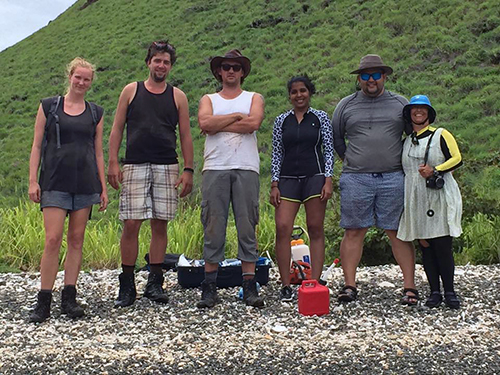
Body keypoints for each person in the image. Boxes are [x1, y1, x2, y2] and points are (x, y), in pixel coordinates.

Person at [108, 40, 194, 307]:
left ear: (170, 66)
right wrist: (112, 161)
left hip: (167, 165)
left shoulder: (178, 96)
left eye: (166, 62)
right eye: (157, 60)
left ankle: (155, 282)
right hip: (134, 163)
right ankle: (127, 284)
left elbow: (186, 134)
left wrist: (188, 169)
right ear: (149, 63)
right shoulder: (130, 91)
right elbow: (117, 128)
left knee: (160, 223)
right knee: (132, 222)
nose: (161, 65)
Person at [332, 54, 418, 304]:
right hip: (356, 177)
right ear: (359, 79)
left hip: (393, 177)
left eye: (376, 75)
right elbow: (338, 138)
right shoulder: (345, 105)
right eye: (366, 76)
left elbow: (412, 135)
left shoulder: (400, 103)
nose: (371, 80)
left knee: (397, 232)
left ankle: (409, 287)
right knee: (354, 230)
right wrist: (349, 158)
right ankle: (349, 285)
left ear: (385, 76)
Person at [28, 57, 108, 322]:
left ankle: (69, 298)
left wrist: (103, 187)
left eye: (86, 79)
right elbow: (37, 146)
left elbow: (98, 152)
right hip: (54, 182)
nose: (81, 82)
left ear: (91, 82)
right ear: (70, 76)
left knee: (76, 240)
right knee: (52, 239)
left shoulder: (96, 112)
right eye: (78, 77)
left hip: (84, 183)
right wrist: (32, 180)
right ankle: (43, 301)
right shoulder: (49, 107)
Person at [197, 49, 265, 308]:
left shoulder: (254, 97)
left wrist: (219, 123)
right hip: (215, 166)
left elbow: (253, 124)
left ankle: (249, 284)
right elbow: (204, 122)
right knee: (213, 225)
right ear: (219, 71)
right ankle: (209, 285)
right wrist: (237, 116)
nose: (231, 71)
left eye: (236, 67)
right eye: (226, 67)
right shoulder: (209, 98)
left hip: (246, 167)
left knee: (247, 225)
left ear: (242, 72)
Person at [270, 76, 334, 302]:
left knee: (315, 227)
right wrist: (274, 183)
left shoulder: (321, 118)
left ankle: (313, 282)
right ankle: (286, 284)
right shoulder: (281, 121)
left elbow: (328, 150)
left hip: (314, 177)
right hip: (287, 179)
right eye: (294, 92)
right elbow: (277, 152)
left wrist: (328, 179)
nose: (299, 95)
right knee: (283, 227)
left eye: (303, 91)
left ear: (310, 93)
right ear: (289, 95)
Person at [397, 95, 462, 309]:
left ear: (428, 113)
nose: (418, 112)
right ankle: (434, 291)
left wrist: (436, 169)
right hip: (416, 198)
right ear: (409, 114)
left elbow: (456, 158)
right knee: (426, 246)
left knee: (442, 244)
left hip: (438, 195)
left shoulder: (441, 134)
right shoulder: (407, 141)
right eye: (414, 109)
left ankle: (450, 291)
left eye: (422, 109)